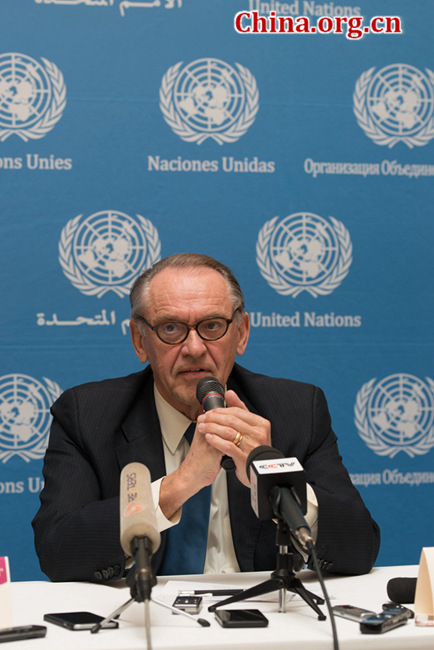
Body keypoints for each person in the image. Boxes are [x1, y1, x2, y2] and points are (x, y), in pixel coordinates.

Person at [32, 253, 380, 583]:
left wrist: (277, 480)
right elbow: (56, 549)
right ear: (140, 341)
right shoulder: (87, 415)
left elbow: (361, 547)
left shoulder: (297, 408)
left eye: (212, 326)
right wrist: (177, 486)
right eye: (170, 328)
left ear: (241, 333)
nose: (195, 348)